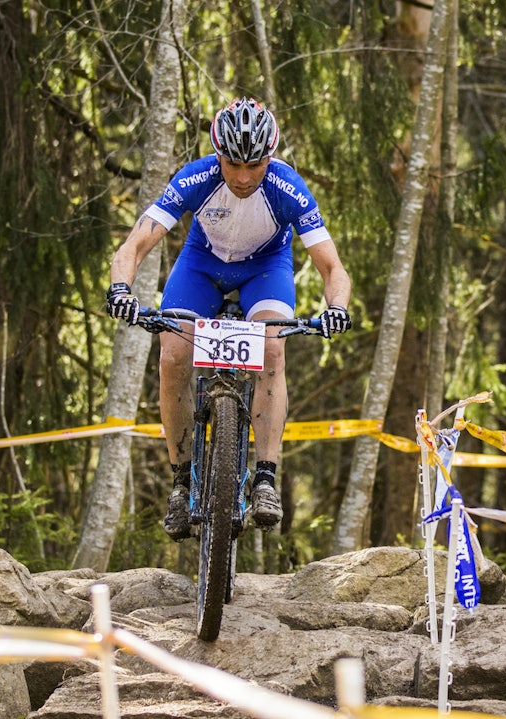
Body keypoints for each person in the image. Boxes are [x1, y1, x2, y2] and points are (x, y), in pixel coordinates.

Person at [105, 97, 352, 541]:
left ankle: (265, 478)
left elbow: (333, 268)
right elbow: (135, 245)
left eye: (254, 165)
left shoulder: (288, 187)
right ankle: (181, 481)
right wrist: (121, 287)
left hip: (265, 269)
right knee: (172, 355)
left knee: (271, 347)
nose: (241, 177)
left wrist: (336, 308)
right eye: (232, 163)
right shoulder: (196, 177)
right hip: (201, 265)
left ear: (269, 158)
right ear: (217, 155)